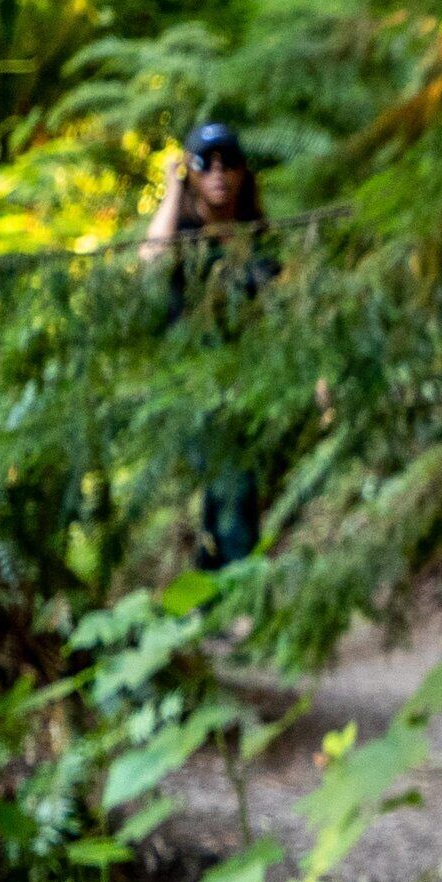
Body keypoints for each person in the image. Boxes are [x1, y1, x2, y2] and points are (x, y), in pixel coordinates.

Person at [145, 121, 277, 570]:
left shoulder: (257, 239)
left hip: (252, 381)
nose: (218, 173)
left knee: (235, 487)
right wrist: (171, 187)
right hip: (194, 383)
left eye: (228, 163)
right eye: (205, 163)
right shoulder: (180, 235)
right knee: (228, 479)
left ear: (243, 172)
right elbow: (151, 262)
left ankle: (213, 600)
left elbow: (282, 310)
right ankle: (238, 593)